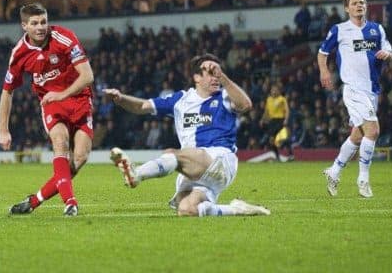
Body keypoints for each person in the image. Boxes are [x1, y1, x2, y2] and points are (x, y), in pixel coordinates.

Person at [104, 54, 270, 217]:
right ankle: (236, 209)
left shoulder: (225, 96)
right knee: (187, 209)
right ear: (197, 77)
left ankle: (137, 174)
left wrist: (224, 78)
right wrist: (120, 98)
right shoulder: (180, 100)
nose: (215, 77)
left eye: (217, 72)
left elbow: (246, 105)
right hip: (192, 167)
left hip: (219, 160)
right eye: (210, 73)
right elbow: (142, 106)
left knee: (171, 154)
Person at [0, 3, 94, 216]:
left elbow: (87, 76)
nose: (40, 27)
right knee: (60, 142)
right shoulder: (19, 53)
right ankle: (70, 203)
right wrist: (3, 130)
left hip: (79, 98)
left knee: (80, 157)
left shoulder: (64, 38)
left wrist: (62, 94)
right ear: (24, 26)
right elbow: (7, 91)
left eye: (43, 22)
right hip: (52, 104)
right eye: (34, 23)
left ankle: (34, 201)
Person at [317, 0, 392, 198]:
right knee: (373, 131)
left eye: (362, 2)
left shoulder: (377, 29)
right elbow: (323, 53)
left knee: (357, 135)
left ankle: (334, 171)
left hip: (372, 90)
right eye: (355, 3)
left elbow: (387, 46)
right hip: (353, 89)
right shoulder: (339, 30)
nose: (359, 5)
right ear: (346, 8)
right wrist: (324, 71)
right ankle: (363, 180)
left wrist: (388, 52)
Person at [261, 84, 292, 162]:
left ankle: (291, 154)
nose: (274, 91)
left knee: (282, 138)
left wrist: (286, 119)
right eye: (272, 90)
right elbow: (266, 111)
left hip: (280, 120)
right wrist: (262, 119)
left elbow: (287, 110)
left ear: (279, 91)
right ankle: (278, 157)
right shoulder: (269, 99)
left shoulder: (282, 99)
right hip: (272, 122)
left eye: (275, 90)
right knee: (271, 140)